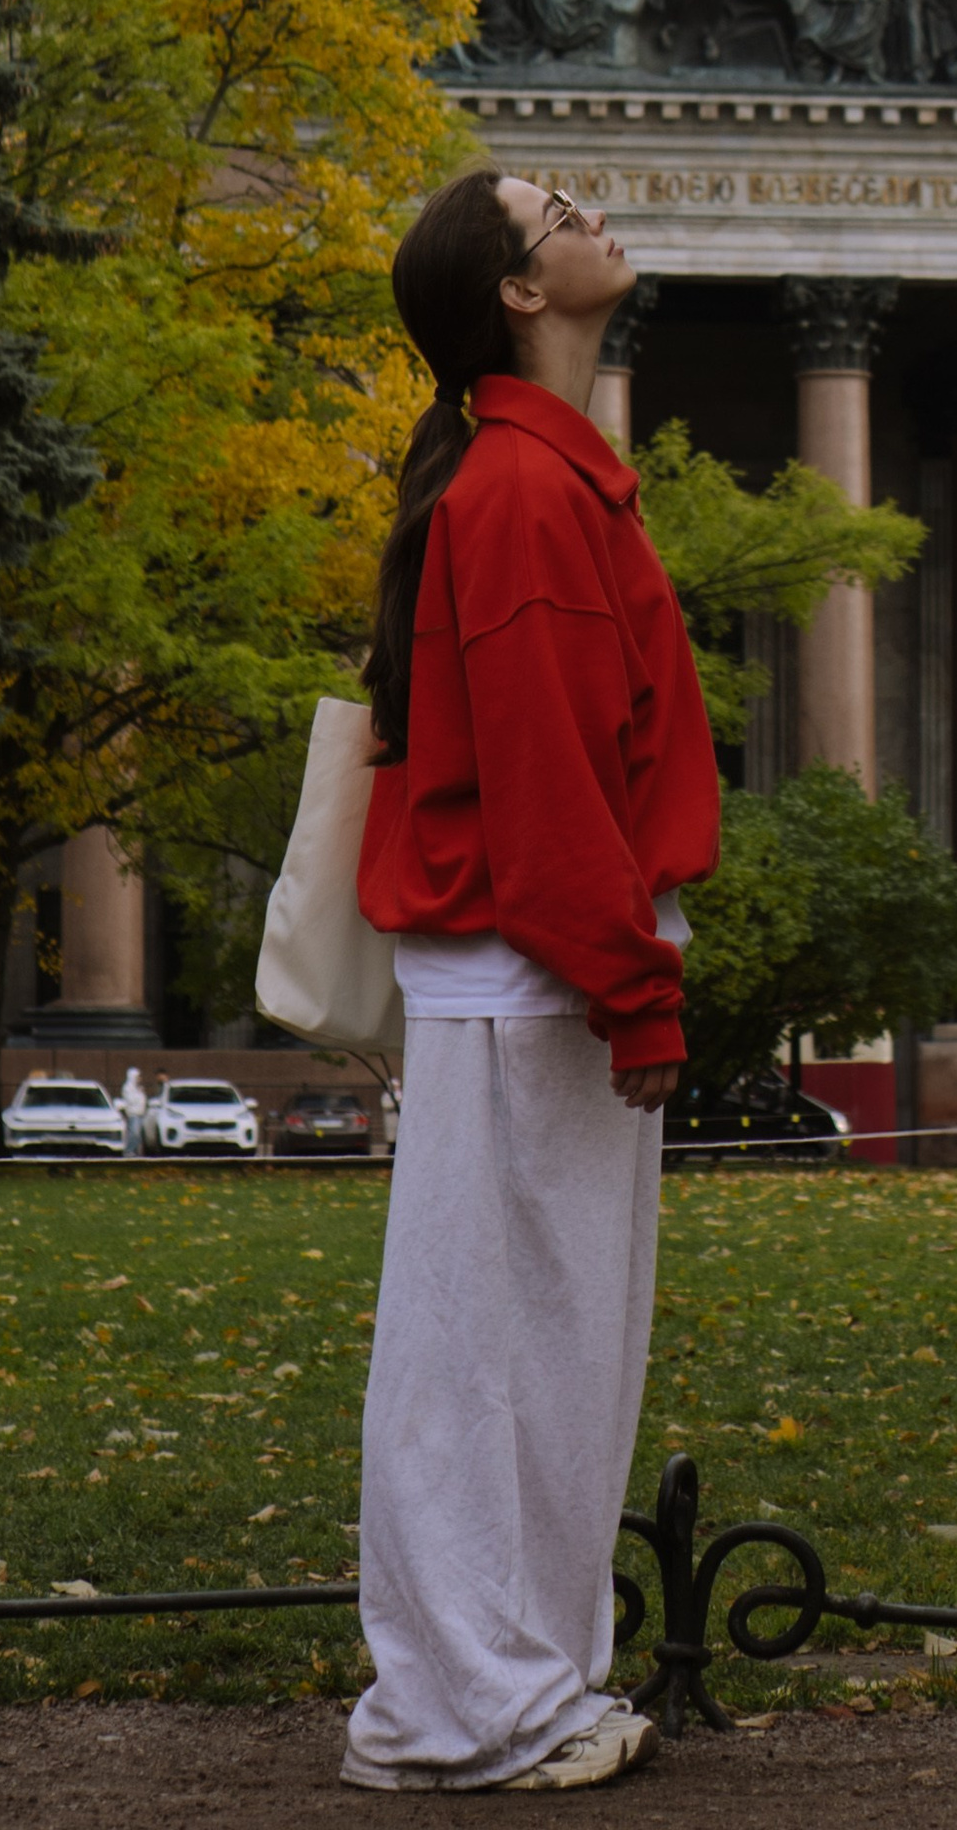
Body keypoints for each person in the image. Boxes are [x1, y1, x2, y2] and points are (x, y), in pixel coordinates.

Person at [342, 166, 718, 1795]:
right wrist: (636, 992)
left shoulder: (540, 481)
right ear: (515, 289)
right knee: (487, 1359)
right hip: (534, 980)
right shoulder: (522, 494)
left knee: (544, 1357)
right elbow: (558, 790)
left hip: (533, 977)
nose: (594, 218)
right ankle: (463, 1712)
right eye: (560, 210)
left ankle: (520, 1690)